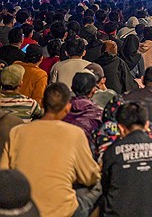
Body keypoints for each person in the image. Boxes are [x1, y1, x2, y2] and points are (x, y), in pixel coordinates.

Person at [1, 83, 101, 217]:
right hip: (61, 211)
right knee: (99, 185)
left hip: (24, 208)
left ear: (42, 103)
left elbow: (4, 173)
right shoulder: (75, 134)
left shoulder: (17, 132)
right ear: (67, 108)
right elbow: (90, 177)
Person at [63, 72, 103, 148]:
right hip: (86, 152)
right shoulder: (98, 112)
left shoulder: (61, 110)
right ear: (93, 90)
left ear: (72, 88)